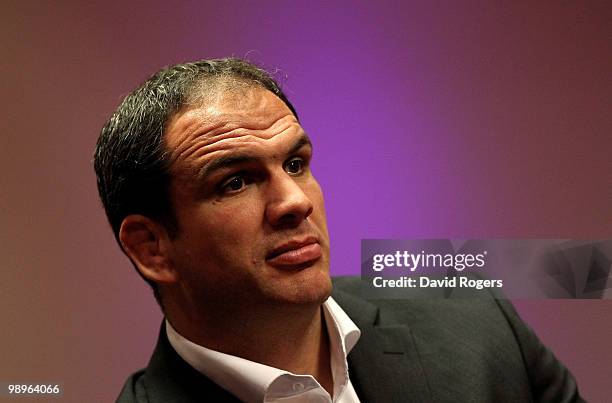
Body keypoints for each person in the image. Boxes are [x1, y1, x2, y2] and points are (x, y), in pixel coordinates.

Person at [94, 58, 583, 402]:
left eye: (296, 163)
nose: (295, 201)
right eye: (236, 182)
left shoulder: (474, 321)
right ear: (152, 248)